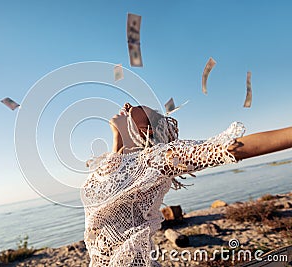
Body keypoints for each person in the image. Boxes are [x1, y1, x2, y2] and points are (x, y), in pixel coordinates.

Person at [81, 102, 292, 267]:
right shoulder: (108, 164)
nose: (127, 106)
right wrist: (118, 139)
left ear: (146, 130)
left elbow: (230, 148)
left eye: (137, 108)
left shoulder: (156, 160)